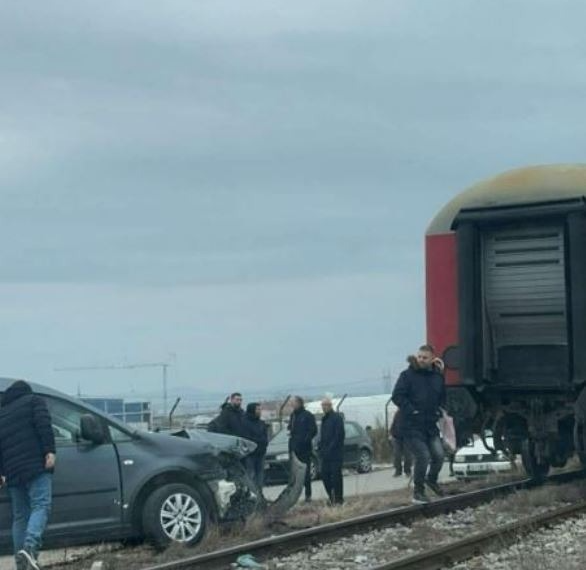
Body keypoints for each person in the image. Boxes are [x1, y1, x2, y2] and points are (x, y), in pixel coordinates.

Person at [0, 381, 56, 570]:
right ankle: (30, 548)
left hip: (12, 471)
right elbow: (43, 425)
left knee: (20, 516)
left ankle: (21, 563)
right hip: (35, 465)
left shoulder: (2, 413)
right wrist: (49, 450)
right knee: (41, 504)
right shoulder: (34, 401)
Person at [392, 345, 446, 504]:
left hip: (430, 425)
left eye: (425, 357)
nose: (421, 359)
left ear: (432, 359)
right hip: (411, 426)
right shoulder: (407, 376)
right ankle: (418, 492)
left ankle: (432, 480)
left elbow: (443, 396)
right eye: (419, 356)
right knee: (423, 456)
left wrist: (441, 410)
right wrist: (411, 410)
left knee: (439, 456)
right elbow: (397, 396)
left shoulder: (437, 377)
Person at [288, 396, 317, 503]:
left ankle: (308, 495)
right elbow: (291, 430)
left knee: (306, 473)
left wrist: (305, 440)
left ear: (299, 403)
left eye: (293, 402)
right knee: (295, 475)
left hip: (305, 449)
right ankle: (294, 496)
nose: (291, 404)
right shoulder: (293, 416)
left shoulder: (307, 415)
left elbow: (313, 430)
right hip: (294, 449)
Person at [318, 398, 345, 505]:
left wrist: (331, 448)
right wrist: (320, 447)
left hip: (336, 453)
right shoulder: (324, 419)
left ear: (330, 406)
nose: (323, 408)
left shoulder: (337, 418)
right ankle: (331, 497)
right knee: (325, 476)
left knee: (336, 477)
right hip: (325, 454)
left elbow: (339, 435)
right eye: (322, 405)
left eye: (325, 405)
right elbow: (323, 436)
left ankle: (338, 499)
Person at [242, 403, 269, 491]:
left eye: (260, 409)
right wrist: (258, 441)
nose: (259, 411)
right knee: (251, 474)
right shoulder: (245, 423)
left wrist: (264, 443)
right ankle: (252, 494)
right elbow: (247, 438)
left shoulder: (261, 423)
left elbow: (265, 436)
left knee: (260, 475)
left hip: (261, 453)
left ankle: (259, 494)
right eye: (257, 409)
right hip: (251, 454)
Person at [389, 410, 412, 477]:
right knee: (397, 455)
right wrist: (391, 433)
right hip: (397, 437)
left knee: (407, 455)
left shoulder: (409, 412)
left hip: (407, 437)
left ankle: (407, 471)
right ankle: (398, 471)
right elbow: (394, 423)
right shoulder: (397, 413)